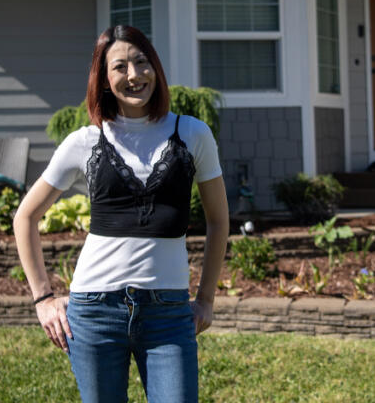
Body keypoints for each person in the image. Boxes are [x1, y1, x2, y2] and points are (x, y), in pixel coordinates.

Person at [14, 25, 229, 403]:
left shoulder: (193, 134)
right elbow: (26, 217)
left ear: (156, 68)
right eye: (120, 67)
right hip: (94, 312)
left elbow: (217, 220)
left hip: (168, 314)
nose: (134, 75)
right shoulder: (85, 140)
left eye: (141, 62)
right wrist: (43, 299)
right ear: (104, 77)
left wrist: (206, 298)